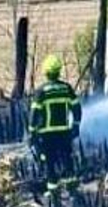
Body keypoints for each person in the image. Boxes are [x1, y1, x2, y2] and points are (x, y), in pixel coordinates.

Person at [27, 55, 82, 196]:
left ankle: (53, 190)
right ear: (59, 71)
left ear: (46, 72)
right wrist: (75, 125)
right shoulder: (66, 88)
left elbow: (34, 113)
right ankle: (71, 187)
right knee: (67, 158)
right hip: (64, 131)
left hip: (47, 134)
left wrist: (32, 132)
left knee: (49, 161)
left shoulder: (41, 92)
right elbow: (76, 108)